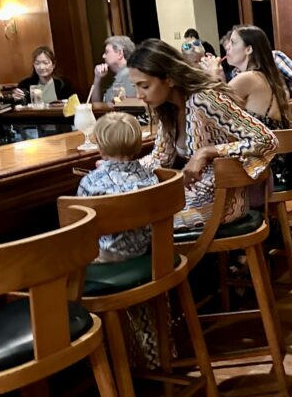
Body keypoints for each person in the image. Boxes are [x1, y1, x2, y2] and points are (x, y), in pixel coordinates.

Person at [128, 38, 276, 229]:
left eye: (145, 86)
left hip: (229, 199)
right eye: (136, 86)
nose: (139, 95)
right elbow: (160, 157)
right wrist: (122, 168)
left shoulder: (204, 98)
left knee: (146, 223)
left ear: (169, 78)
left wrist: (206, 152)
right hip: (197, 194)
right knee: (130, 215)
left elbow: (266, 139)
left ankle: (188, 259)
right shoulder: (167, 109)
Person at [76, 112, 159, 262]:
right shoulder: (151, 178)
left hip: (104, 255)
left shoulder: (90, 182)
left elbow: (80, 225)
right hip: (143, 249)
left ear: (100, 148)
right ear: (138, 146)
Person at [225, 25, 292, 130]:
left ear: (248, 49)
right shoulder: (265, 76)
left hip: (261, 146)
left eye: (233, 43)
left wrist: (210, 74)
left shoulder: (249, 78)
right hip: (278, 144)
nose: (227, 47)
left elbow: (210, 107)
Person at [12, 46, 76, 104]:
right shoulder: (25, 84)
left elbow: (73, 105)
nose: (41, 67)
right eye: (37, 63)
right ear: (33, 65)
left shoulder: (64, 83)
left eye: (45, 63)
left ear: (53, 65)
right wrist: (15, 99)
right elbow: (19, 106)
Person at [90, 35, 135, 104]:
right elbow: (96, 106)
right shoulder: (117, 77)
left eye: (107, 52)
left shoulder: (131, 76)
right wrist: (97, 78)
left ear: (120, 54)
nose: (103, 56)